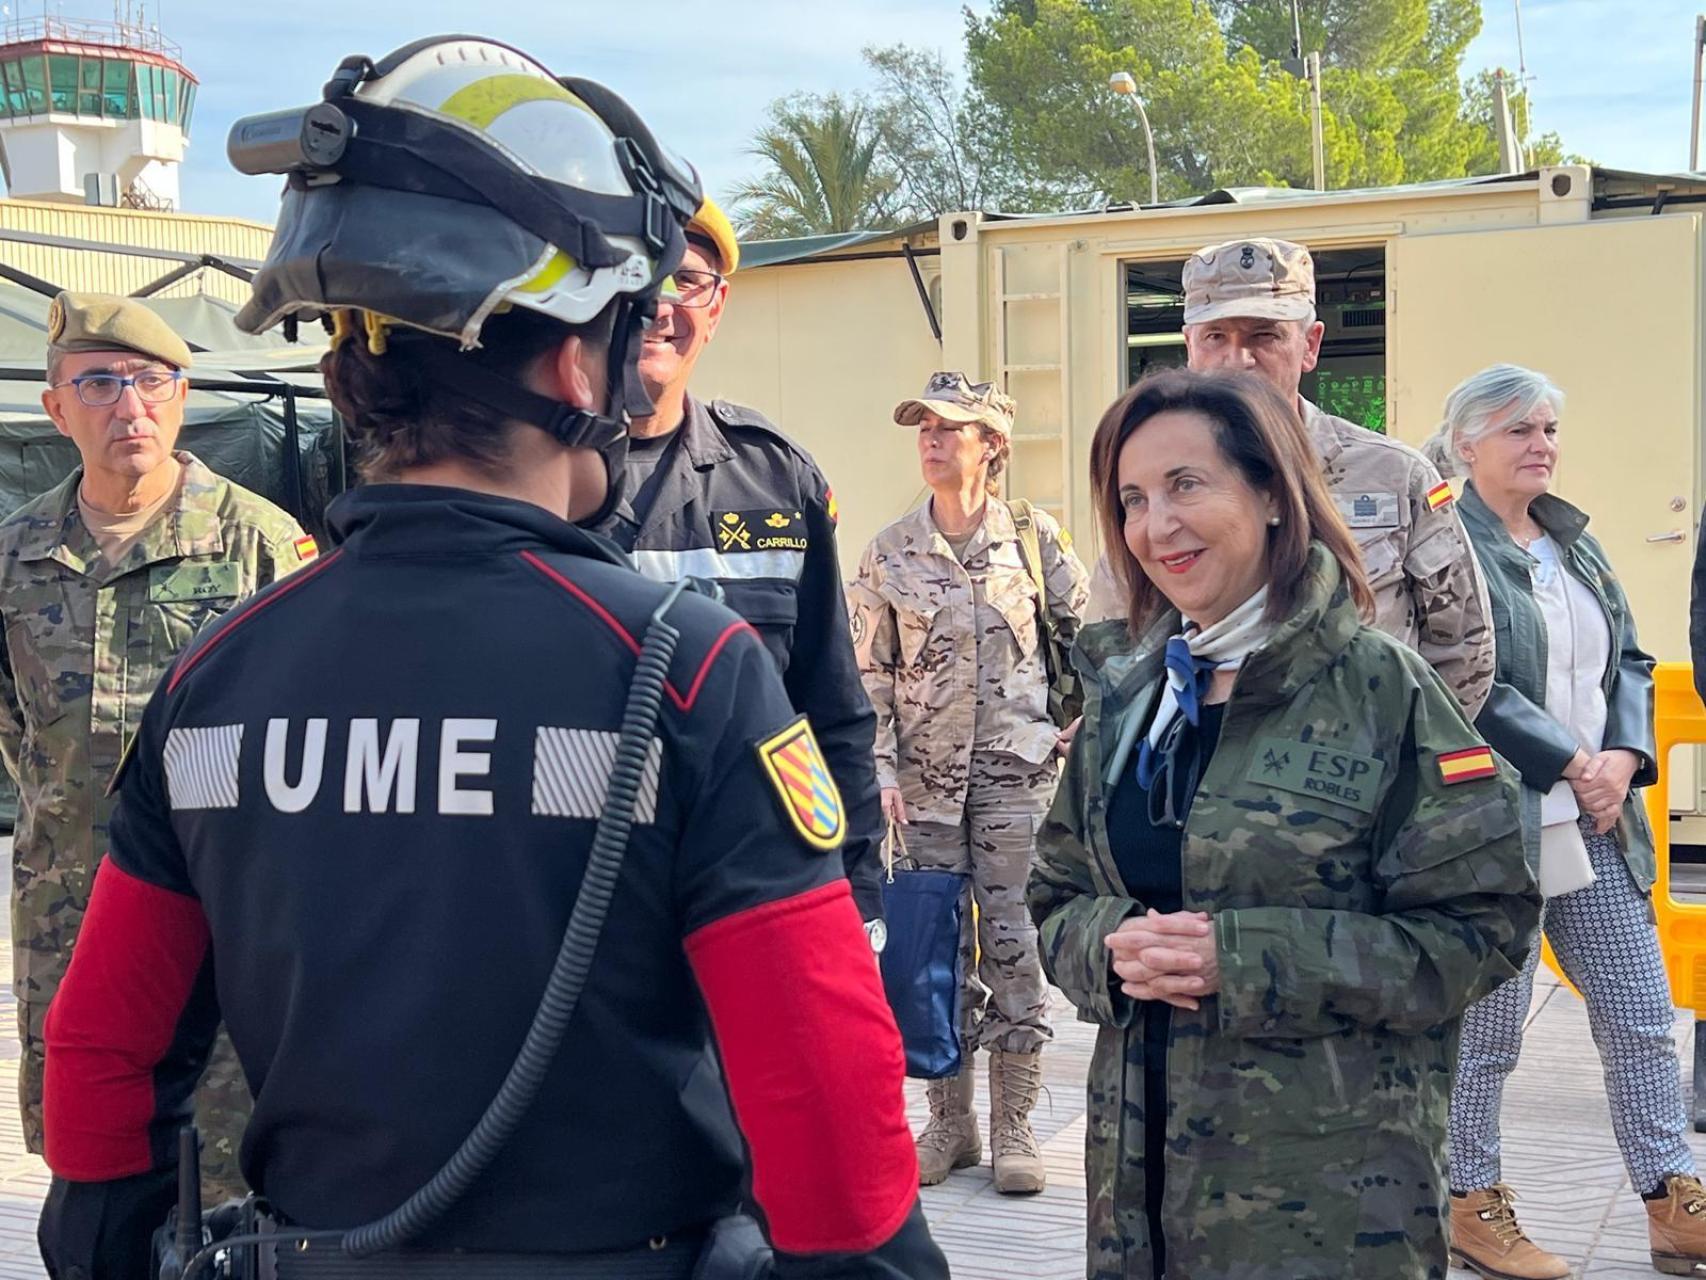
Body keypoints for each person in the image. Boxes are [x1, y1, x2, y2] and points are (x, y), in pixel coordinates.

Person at [37, 38, 946, 1280]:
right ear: (578, 362)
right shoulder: (682, 671)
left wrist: (106, 1238)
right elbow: (830, 1124)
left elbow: (102, 1057)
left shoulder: (218, 676)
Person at [1032, 369, 1537, 1280]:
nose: (1157, 526)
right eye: (1133, 500)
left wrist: (1248, 958)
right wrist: (1109, 942)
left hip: (1333, 1217)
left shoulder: (1384, 691)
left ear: (1270, 491)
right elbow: (1056, 893)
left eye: (1188, 484)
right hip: (1136, 1210)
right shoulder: (1127, 694)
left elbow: (1483, 931)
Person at [0, 292, 313, 1202]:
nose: (128, 407)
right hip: (70, 922)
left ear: (182, 398)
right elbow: (21, 736)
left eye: (150, 381)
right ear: (56, 409)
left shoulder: (260, 545)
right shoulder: (15, 555)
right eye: (98, 383)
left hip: (221, 926)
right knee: (94, 1173)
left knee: (234, 1182)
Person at [1422, 364, 1706, 1280]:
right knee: (1489, 1034)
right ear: (1468, 445)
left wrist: (1621, 757)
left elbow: (1630, 654)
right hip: (1496, 825)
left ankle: (1672, 1199)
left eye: (1548, 430)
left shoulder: (1571, 540)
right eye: (1520, 431)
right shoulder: (1447, 545)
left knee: (1639, 1015)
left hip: (1596, 818)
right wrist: (1573, 761)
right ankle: (1471, 1201)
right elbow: (1466, 676)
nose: (1542, 445)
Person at [592, 197, 885, 933]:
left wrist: (857, 896)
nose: (660, 303)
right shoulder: (531, 476)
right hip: (589, 897)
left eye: (685, 279)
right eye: (636, 275)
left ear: (717, 307)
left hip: (751, 897)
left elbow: (831, 710)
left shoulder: (776, 477)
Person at [846, 371, 1089, 1195]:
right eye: (922, 425)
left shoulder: (1034, 538)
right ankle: (950, 1125)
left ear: (992, 445)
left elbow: (1090, 638)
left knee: (1015, 947)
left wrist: (1084, 722)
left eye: (951, 427)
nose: (932, 438)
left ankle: (1016, 1122)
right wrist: (878, 769)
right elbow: (866, 674)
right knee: (931, 954)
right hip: (921, 786)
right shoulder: (889, 551)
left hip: (1018, 779)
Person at [1085, 237, 1494, 716]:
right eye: (1216, 336)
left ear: (1310, 345)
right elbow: (1112, 640)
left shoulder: (1396, 476)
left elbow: (1465, 649)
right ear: (1190, 348)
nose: (1238, 359)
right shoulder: (1152, 480)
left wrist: (1401, 756)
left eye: (1264, 335)